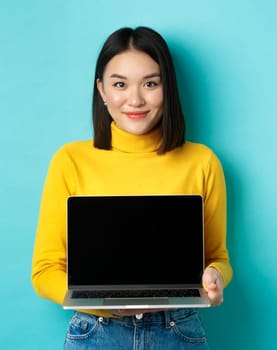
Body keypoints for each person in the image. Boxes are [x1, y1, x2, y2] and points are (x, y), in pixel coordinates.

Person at [31, 26, 232, 349]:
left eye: (151, 83)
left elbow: (217, 258)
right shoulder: (70, 160)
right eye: (120, 84)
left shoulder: (202, 162)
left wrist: (215, 277)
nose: (135, 99)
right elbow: (45, 271)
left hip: (177, 331)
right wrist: (105, 303)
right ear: (102, 90)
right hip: (97, 331)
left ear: (167, 87)